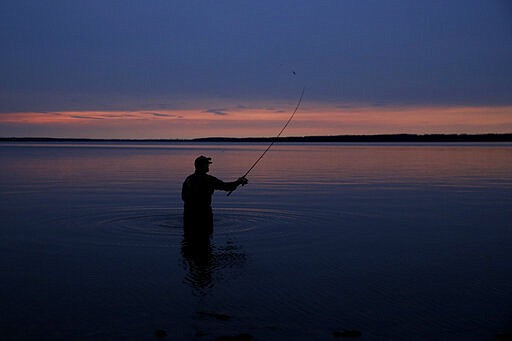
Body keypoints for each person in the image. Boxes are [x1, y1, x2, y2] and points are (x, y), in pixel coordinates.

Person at [182, 155, 248, 238]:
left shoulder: (188, 179)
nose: (208, 166)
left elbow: (184, 197)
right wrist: (238, 182)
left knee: (189, 239)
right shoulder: (209, 179)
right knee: (206, 239)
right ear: (202, 166)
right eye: (207, 164)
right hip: (204, 215)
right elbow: (226, 187)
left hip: (189, 215)